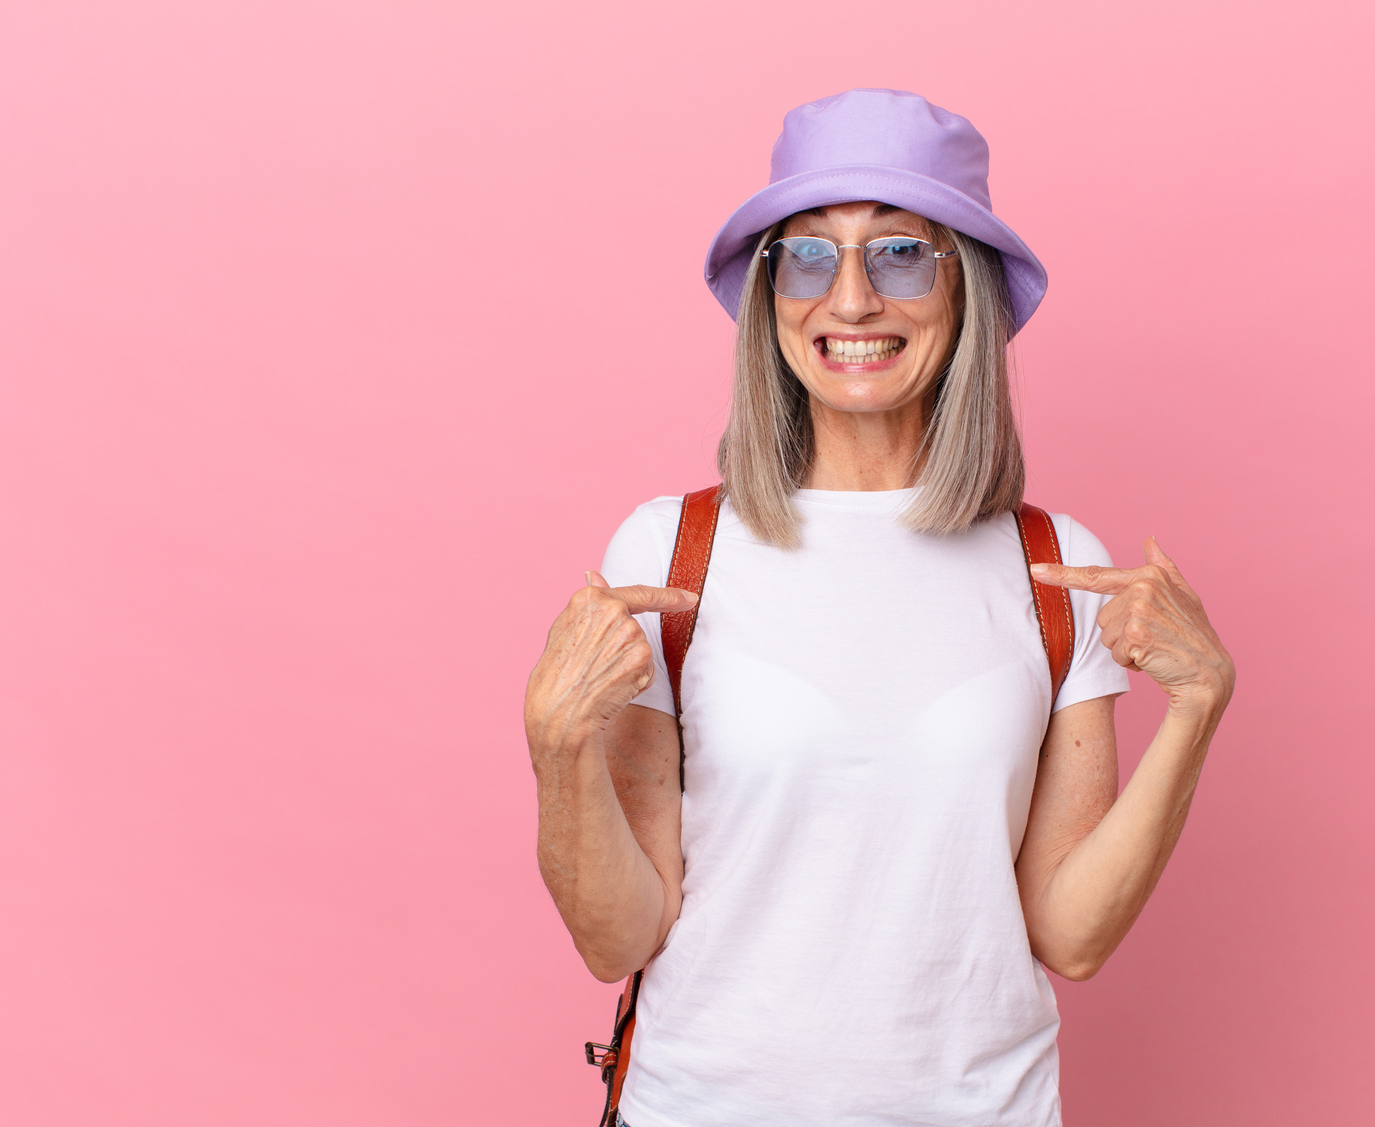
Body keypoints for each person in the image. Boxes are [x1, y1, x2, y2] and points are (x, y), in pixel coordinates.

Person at [526, 89, 1235, 1127]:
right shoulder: (673, 553)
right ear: (770, 297)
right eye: (806, 257)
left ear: (968, 291)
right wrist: (554, 743)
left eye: (901, 254)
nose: (849, 300)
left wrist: (1199, 704)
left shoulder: (1054, 569)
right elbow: (617, 938)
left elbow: (1070, 934)